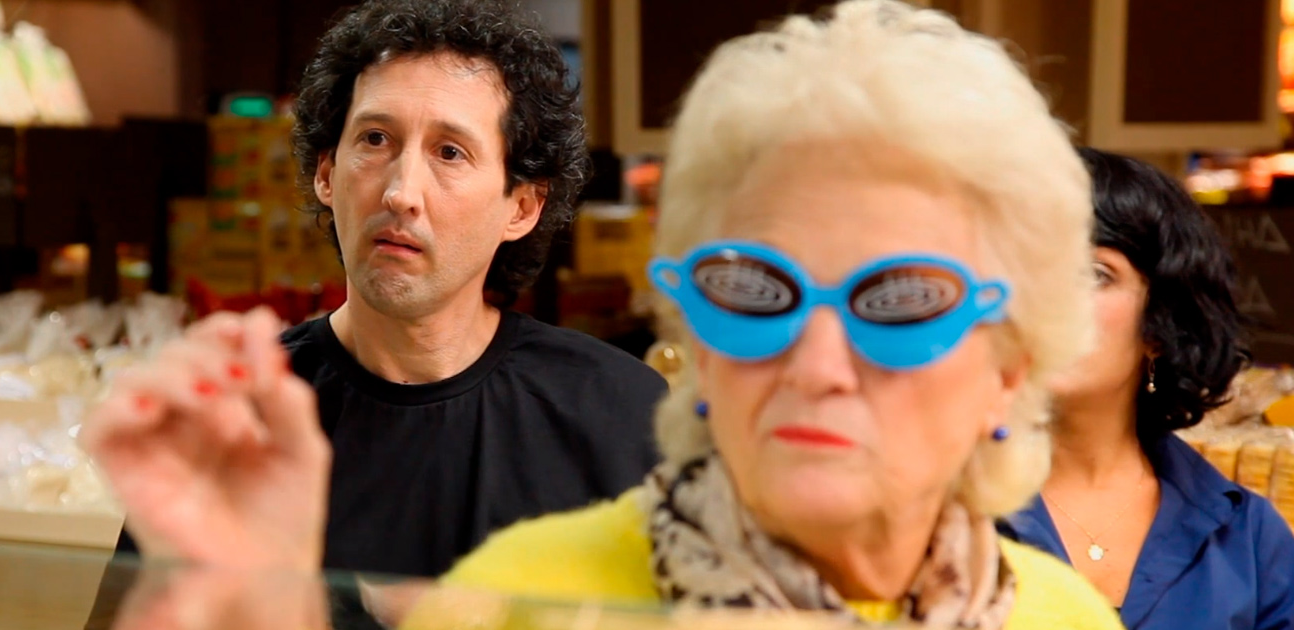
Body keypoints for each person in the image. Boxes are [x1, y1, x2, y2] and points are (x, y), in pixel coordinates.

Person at [84, 1, 1123, 628]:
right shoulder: (256, 428)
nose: (817, 361)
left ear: (1009, 368)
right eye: (754, 290)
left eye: (900, 303)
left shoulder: (1062, 616)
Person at [106, 0, 665, 578]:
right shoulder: (230, 422)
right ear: (327, 173)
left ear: (521, 207)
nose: (401, 193)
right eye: (375, 139)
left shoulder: (620, 416)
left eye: (449, 152)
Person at [1001, 148, 1294, 628]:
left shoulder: (1248, 539)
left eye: (1094, 274)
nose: (1050, 300)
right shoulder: (932, 507)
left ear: (1160, 325)